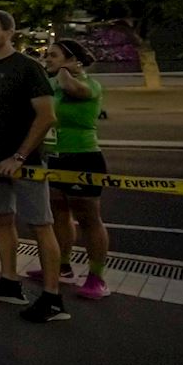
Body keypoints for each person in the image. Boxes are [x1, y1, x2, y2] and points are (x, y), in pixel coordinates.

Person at [0, 10, 67, 322]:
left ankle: (52, 298)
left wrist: (20, 156)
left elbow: (47, 116)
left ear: (9, 32)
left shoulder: (28, 68)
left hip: (25, 162)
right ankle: (9, 282)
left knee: (40, 225)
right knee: (0, 220)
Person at [33, 40, 110, 300]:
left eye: (54, 55)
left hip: (84, 157)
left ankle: (96, 277)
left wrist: (66, 69)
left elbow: (70, 87)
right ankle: (63, 267)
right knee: (59, 214)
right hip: (54, 158)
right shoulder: (52, 84)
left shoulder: (89, 84)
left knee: (89, 218)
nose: (48, 59)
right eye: (48, 55)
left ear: (72, 60)